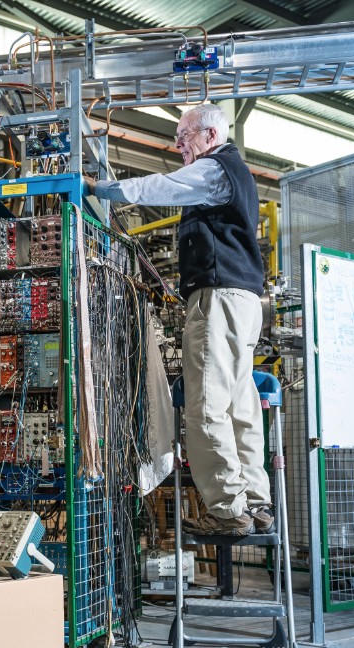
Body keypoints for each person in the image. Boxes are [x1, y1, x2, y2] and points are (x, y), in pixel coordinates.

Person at [86, 103, 272, 537]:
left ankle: (227, 509)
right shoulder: (234, 173)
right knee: (239, 408)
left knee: (206, 405)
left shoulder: (216, 168)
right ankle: (257, 504)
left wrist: (101, 188)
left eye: (184, 136)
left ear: (209, 136)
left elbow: (162, 187)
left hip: (219, 298)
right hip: (244, 303)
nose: (177, 145)